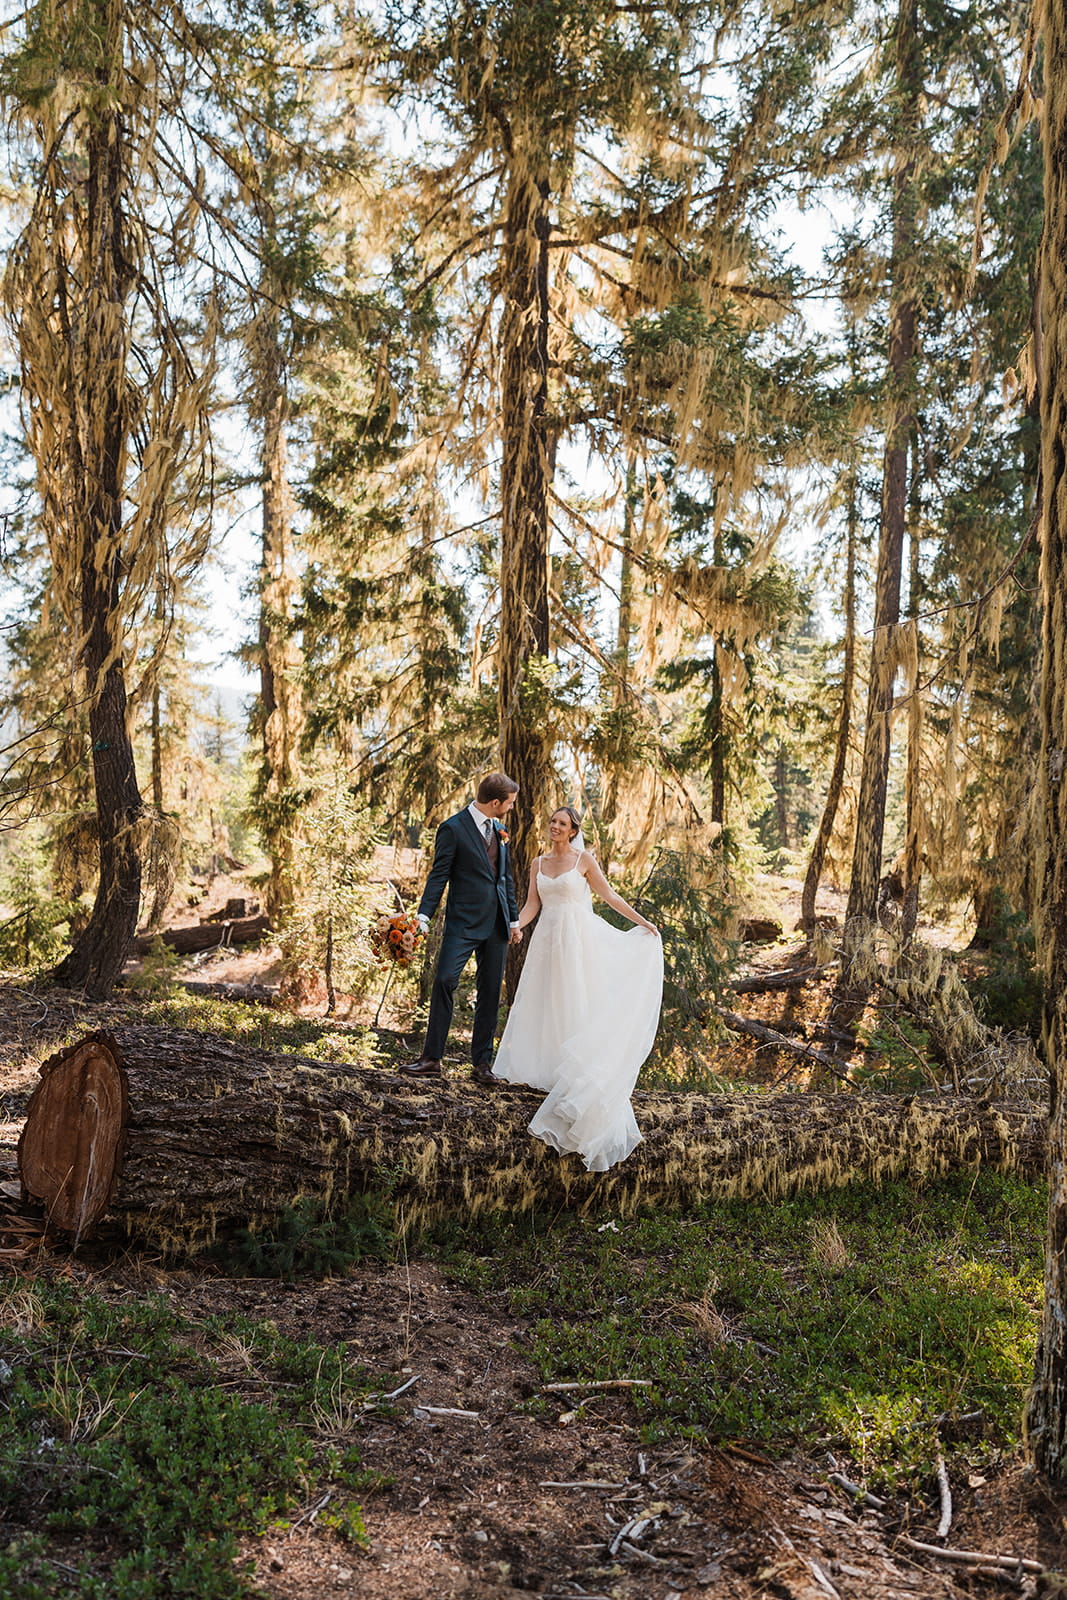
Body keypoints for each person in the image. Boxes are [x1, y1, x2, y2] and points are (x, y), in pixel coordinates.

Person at [493, 806, 663, 1171]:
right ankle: (544, 1070)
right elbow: (531, 906)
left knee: (574, 1002)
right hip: (546, 942)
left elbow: (610, 897)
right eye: (552, 822)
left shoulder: (583, 860)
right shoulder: (537, 864)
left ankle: (572, 1077)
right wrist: (515, 925)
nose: (555, 827)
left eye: (562, 824)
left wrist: (644, 922)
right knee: (545, 1002)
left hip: (577, 940)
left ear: (573, 831)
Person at [401, 772, 521, 1083]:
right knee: (444, 980)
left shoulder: (501, 830)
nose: (510, 808)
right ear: (494, 802)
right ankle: (431, 1058)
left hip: (496, 926)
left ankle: (482, 1065)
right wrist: (423, 917)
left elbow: (504, 880)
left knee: (490, 993)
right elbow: (438, 876)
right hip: (462, 923)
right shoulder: (452, 828)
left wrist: (513, 920)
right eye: (508, 803)